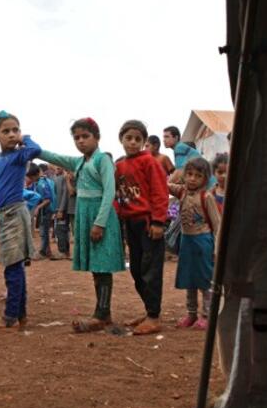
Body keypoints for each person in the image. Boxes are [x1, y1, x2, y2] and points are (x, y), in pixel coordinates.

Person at [39, 117, 124, 333]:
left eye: (85, 136)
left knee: (102, 267)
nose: (81, 141)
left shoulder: (102, 160)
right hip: (85, 214)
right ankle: (103, 312)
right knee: (97, 267)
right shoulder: (79, 162)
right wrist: (33, 149)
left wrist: (100, 223)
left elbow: (109, 192)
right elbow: (54, 157)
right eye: (76, 137)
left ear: (97, 137)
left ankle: (101, 315)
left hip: (98, 217)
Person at [0, 111, 41, 330]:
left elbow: (36, 150)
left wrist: (26, 138)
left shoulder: (20, 155)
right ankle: (20, 314)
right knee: (15, 266)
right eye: (6, 131)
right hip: (5, 215)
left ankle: (10, 316)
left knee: (12, 267)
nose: (12, 134)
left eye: (16, 130)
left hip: (14, 213)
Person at [115, 120, 169, 335]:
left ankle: (154, 317)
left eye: (138, 139)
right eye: (129, 138)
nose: (133, 142)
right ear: (121, 139)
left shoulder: (150, 162)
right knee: (137, 270)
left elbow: (160, 192)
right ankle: (149, 310)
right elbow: (118, 195)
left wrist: (158, 221)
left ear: (145, 141)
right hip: (131, 223)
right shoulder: (119, 166)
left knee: (151, 270)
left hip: (149, 223)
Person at [169, 158, 221, 330]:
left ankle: (206, 315)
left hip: (202, 243)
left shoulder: (207, 197)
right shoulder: (182, 192)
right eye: (189, 174)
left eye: (198, 176)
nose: (192, 179)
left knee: (205, 280)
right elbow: (166, 185)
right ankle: (191, 313)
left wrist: (216, 248)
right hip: (187, 242)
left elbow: (217, 225)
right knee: (189, 279)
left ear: (205, 179)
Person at [53, 165, 71, 258]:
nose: (56, 169)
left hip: (62, 209)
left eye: (59, 168)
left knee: (60, 229)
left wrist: (61, 209)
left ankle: (62, 251)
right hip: (59, 208)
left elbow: (65, 194)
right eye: (56, 168)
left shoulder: (63, 178)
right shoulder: (56, 178)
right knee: (62, 229)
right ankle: (65, 251)